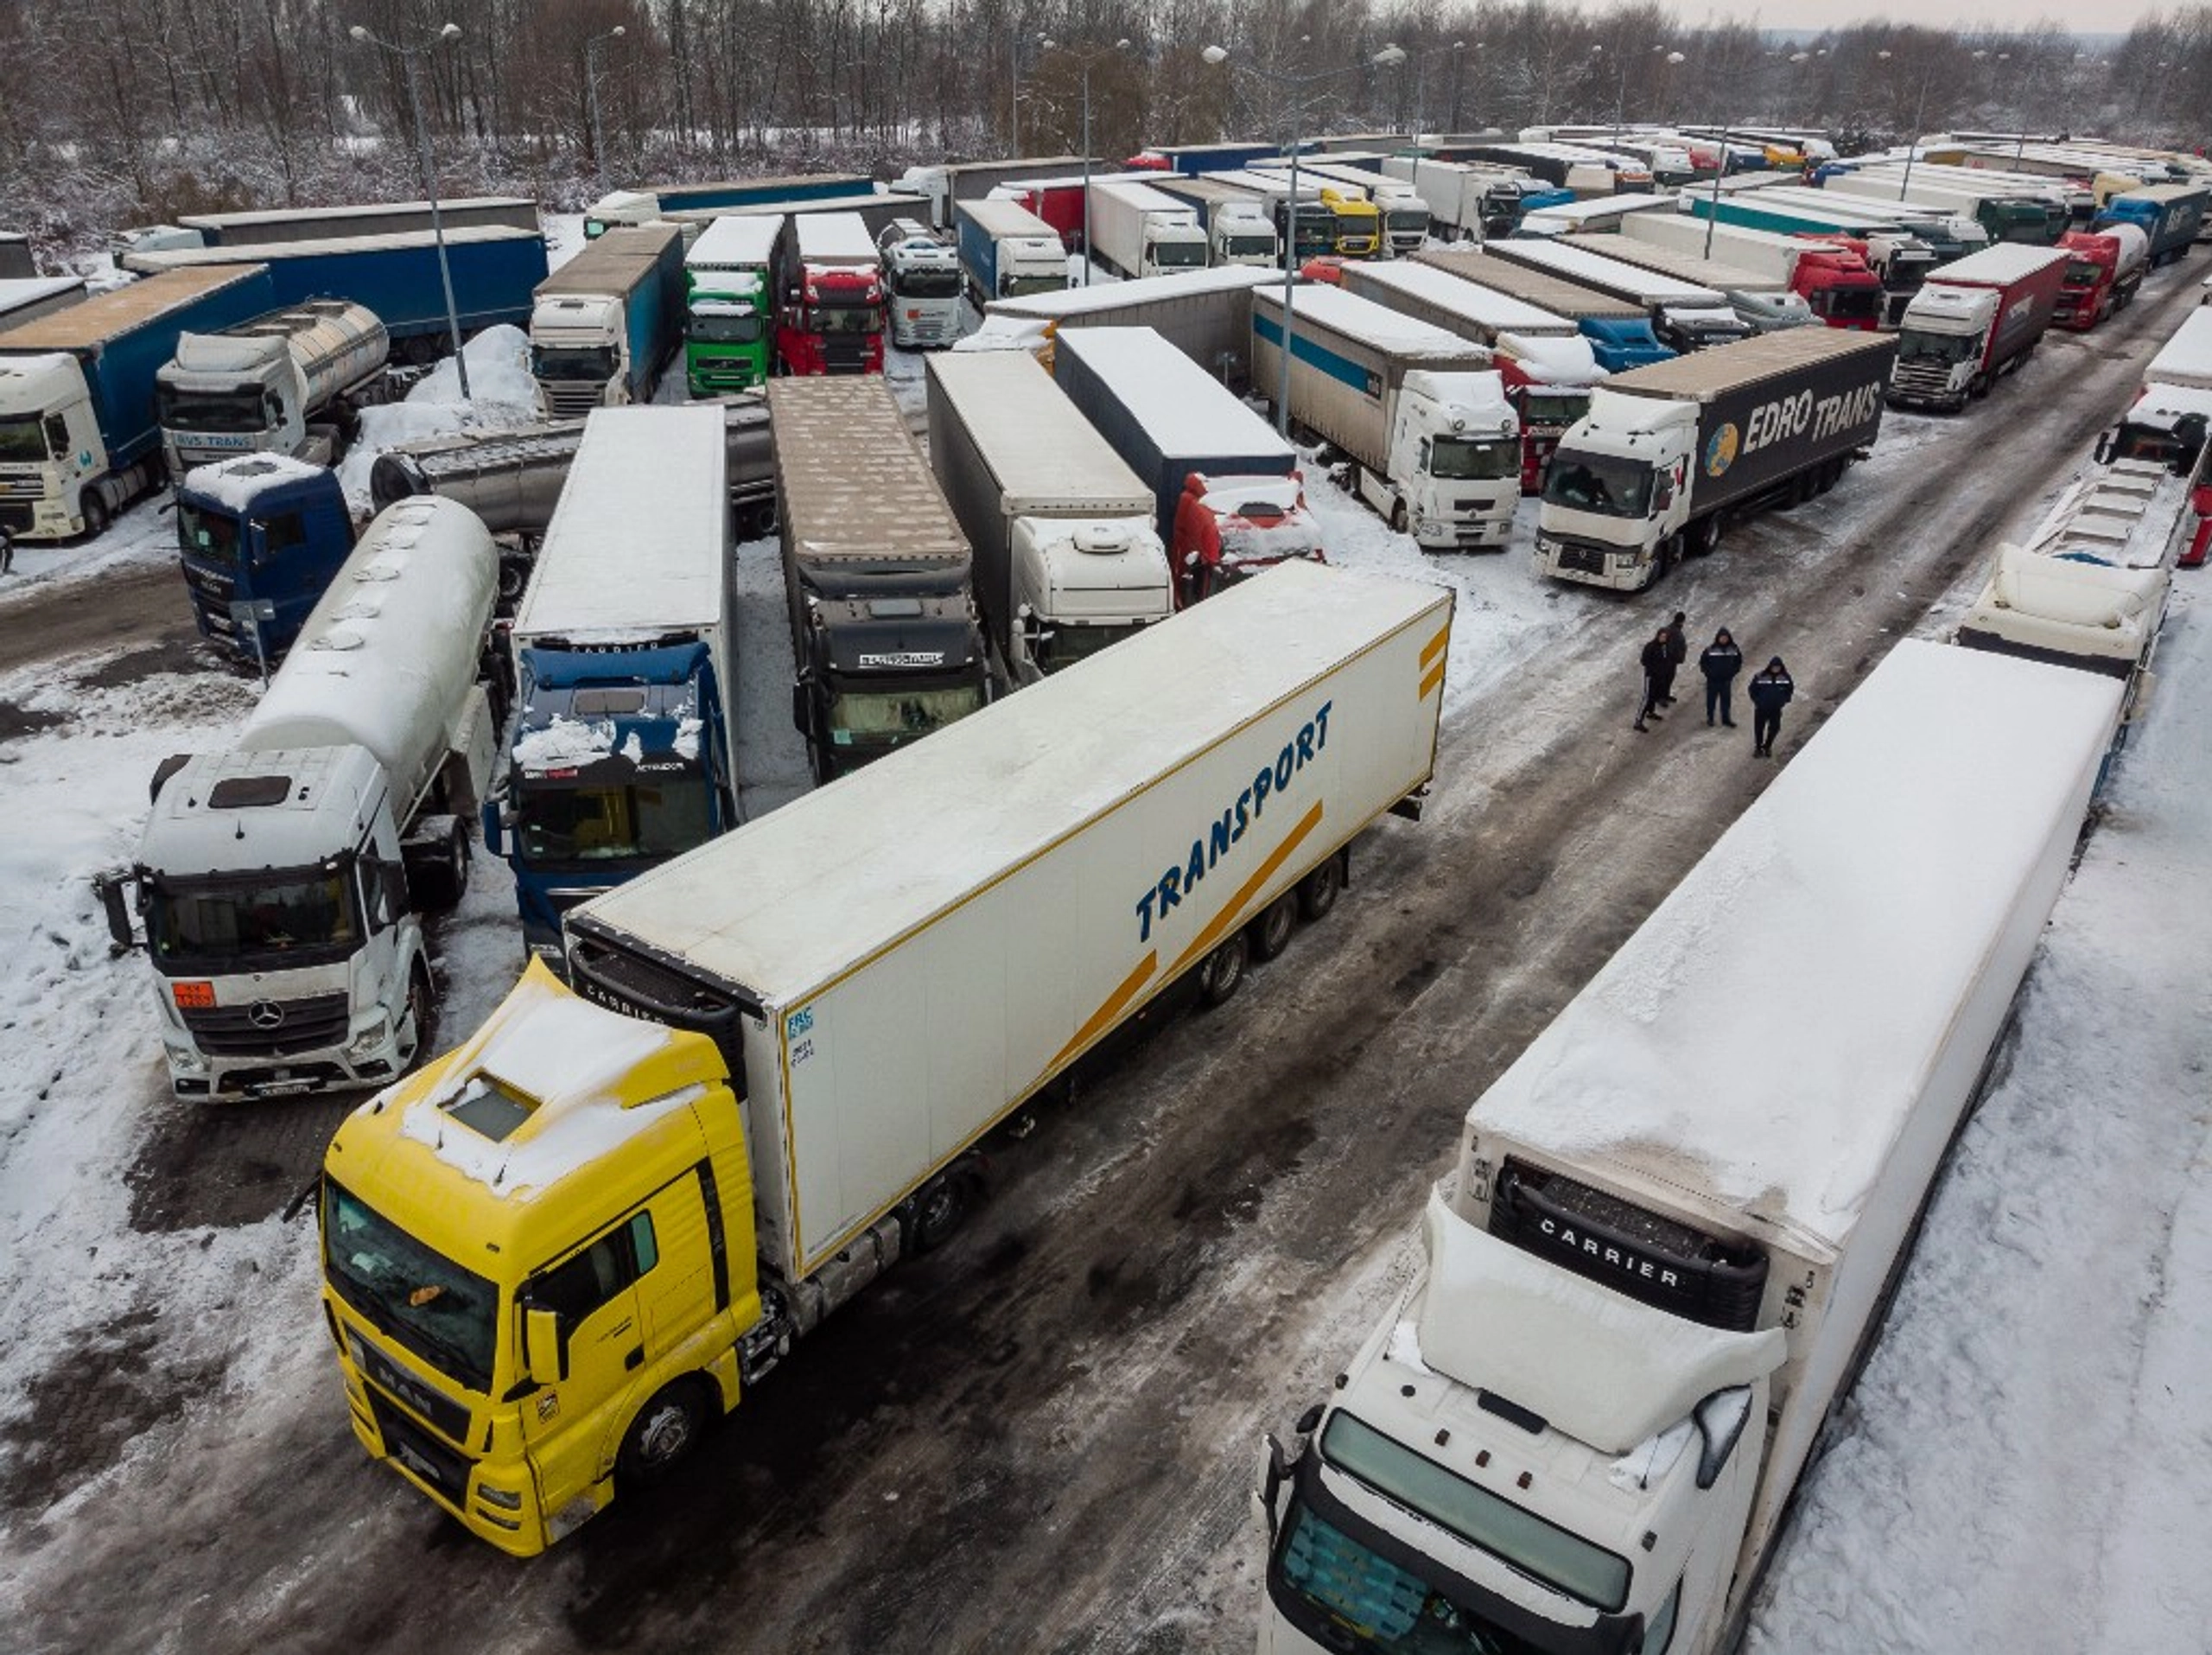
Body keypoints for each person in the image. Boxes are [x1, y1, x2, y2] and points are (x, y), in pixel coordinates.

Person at [1749, 657, 1795, 757]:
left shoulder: (1785, 678)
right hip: (1761, 708)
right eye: (1774, 667)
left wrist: (1784, 700)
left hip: (1775, 709)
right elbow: (1752, 690)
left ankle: (1768, 746)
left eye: (1778, 667)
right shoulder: (1760, 676)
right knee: (1759, 729)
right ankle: (1758, 748)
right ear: (1770, 666)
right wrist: (1757, 701)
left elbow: (1790, 690)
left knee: (1775, 728)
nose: (1776, 669)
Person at [1700, 627, 1743, 728]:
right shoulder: (1710, 649)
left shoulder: (1734, 649)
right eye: (1722, 638)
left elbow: (1738, 662)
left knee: (1726, 701)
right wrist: (1708, 673)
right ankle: (1710, 718)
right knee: (1711, 701)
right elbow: (1703, 663)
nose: (1723, 639)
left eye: (1725, 638)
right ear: (1718, 638)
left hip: (1726, 681)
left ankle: (1726, 719)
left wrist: (1733, 673)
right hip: (1712, 680)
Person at [1633, 628, 1671, 732]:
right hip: (1651, 675)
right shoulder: (1650, 646)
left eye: (1665, 637)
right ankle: (1638, 721)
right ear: (1658, 636)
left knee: (1653, 695)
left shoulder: (1665, 646)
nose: (1663, 638)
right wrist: (1654, 668)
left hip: (1660, 676)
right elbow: (1644, 661)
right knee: (1646, 696)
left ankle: (1650, 712)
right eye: (1662, 636)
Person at [1657, 611, 1688, 705]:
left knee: (1669, 677)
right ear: (1682, 621)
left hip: (1671, 660)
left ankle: (1665, 695)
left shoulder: (1672, 629)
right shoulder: (1672, 631)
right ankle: (1661, 697)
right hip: (1668, 660)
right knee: (1665, 678)